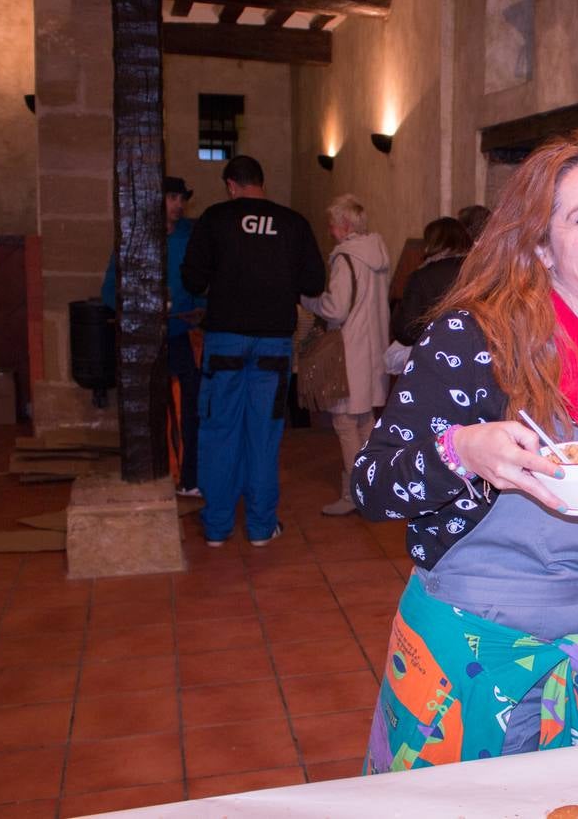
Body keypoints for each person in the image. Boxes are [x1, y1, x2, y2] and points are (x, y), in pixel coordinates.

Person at [357, 128, 578, 773]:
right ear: (540, 247)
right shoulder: (476, 339)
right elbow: (373, 482)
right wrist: (462, 449)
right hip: (468, 650)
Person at [181, 155, 325, 547]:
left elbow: (191, 278)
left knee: (219, 432)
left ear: (230, 185)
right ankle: (261, 528)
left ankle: (217, 528)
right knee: (263, 435)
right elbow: (314, 281)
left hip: (225, 339)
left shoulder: (215, 218)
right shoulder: (293, 223)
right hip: (273, 344)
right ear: (262, 183)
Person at [102, 175, 206, 496]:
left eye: (181, 198)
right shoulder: (134, 239)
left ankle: (191, 479)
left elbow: (205, 280)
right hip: (149, 340)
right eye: (171, 198)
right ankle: (156, 477)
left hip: (184, 335)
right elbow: (110, 292)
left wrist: (201, 308)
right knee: (150, 411)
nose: (178, 205)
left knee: (192, 410)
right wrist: (141, 308)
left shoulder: (191, 236)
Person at [300, 195, 392, 516]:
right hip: (372, 351)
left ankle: (354, 495)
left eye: (332, 224)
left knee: (344, 423)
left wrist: (310, 302)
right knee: (366, 421)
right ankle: (373, 488)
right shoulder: (378, 255)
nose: (329, 230)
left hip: (349, 354)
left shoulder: (345, 258)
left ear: (345, 225)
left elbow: (336, 309)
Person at [390, 215, 473, 347]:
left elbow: (406, 332)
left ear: (432, 244)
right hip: (473, 351)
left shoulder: (422, 277)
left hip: (436, 352)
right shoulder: (480, 271)